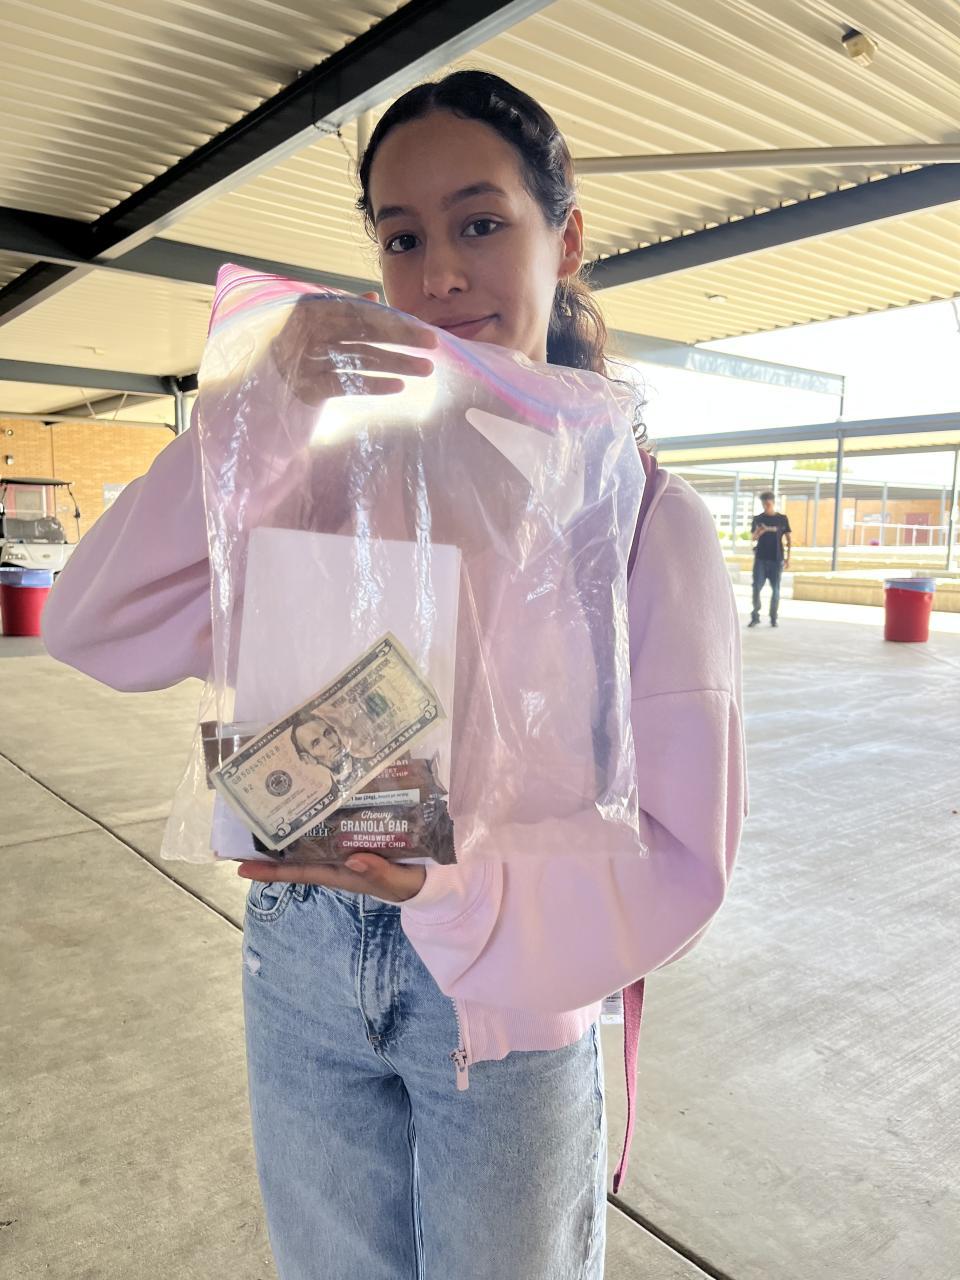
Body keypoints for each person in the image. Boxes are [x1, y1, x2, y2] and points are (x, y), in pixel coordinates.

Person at [42, 71, 745, 1280]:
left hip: (505, 1005)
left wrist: (451, 883)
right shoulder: (333, 475)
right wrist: (253, 410)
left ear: (567, 237)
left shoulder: (640, 521)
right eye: (403, 237)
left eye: (482, 222)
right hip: (303, 959)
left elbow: (684, 852)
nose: (441, 274)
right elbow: (92, 621)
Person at [749, 490, 791, 628]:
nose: (766, 506)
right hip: (761, 558)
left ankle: (773, 617)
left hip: (776, 558)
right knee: (756, 587)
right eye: (763, 504)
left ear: (773, 503)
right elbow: (753, 538)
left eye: (768, 504)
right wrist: (759, 532)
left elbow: (788, 539)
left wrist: (788, 558)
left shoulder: (782, 519)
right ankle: (755, 616)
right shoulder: (758, 519)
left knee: (776, 589)